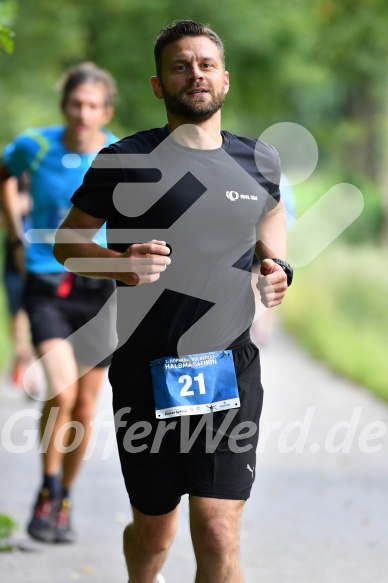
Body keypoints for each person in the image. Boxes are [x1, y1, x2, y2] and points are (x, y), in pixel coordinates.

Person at [54, 20, 293, 583]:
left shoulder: (259, 160)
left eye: (206, 64)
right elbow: (68, 243)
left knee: (216, 529)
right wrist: (120, 264)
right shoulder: (123, 160)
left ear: (225, 80)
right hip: (145, 368)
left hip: (227, 371)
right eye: (181, 66)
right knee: (155, 530)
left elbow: (271, 213)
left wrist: (277, 266)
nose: (196, 75)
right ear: (160, 86)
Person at [0, 62, 118, 544]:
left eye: (93, 106)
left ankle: (64, 498)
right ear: (63, 106)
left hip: (100, 290)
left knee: (86, 406)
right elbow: (5, 175)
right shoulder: (36, 145)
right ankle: (47, 486)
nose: (83, 114)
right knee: (61, 391)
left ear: (107, 110)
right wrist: (15, 238)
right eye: (75, 104)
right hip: (47, 285)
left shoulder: (119, 153)